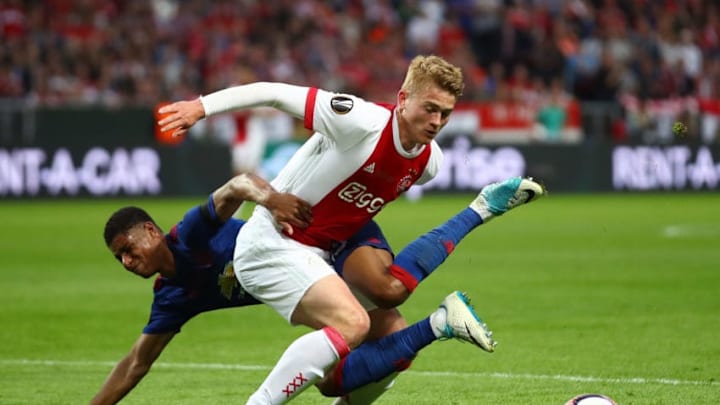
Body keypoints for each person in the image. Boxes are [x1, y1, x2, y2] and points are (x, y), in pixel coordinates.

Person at [158, 55, 544, 404]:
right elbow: (272, 92)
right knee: (354, 323)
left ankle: (477, 220)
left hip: (325, 250)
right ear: (403, 98)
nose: (437, 122)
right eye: (430, 109)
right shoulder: (358, 121)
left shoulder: (429, 163)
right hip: (271, 243)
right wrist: (200, 107)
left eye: (445, 113)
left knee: (390, 335)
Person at [90, 172, 520, 405]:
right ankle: (442, 323)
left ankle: (479, 209)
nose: (128, 262)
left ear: (150, 230)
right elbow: (135, 364)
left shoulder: (191, 234)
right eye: (119, 259)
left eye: (128, 248)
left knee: (387, 292)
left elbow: (236, 186)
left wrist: (271, 200)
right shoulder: (171, 296)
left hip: (328, 239)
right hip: (313, 272)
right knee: (378, 354)